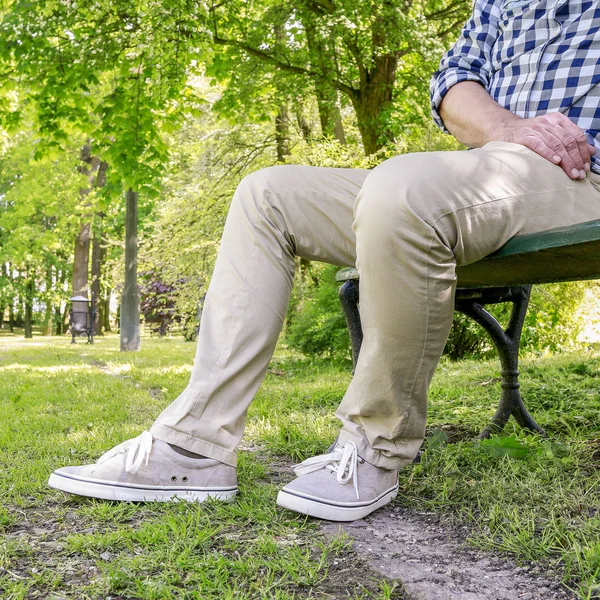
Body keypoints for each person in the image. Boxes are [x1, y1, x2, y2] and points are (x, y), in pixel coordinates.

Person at [48, 0, 600, 522]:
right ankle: (195, 447)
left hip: (583, 177)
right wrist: (507, 129)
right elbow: (455, 77)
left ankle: (376, 445)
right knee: (267, 194)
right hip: (487, 174)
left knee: (401, 190)